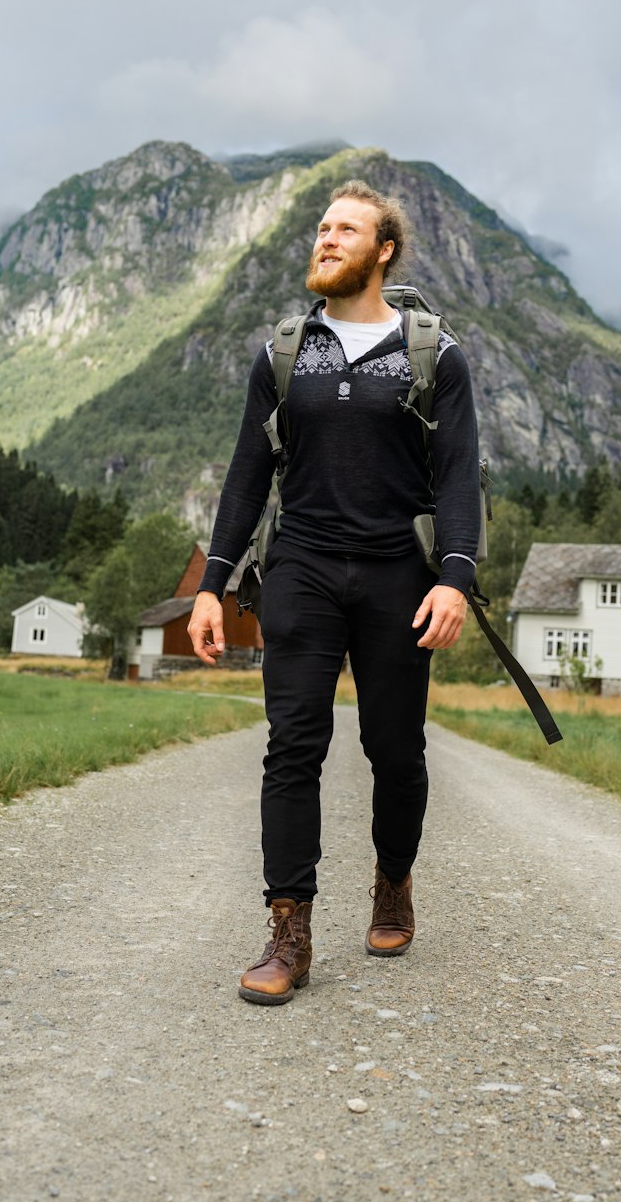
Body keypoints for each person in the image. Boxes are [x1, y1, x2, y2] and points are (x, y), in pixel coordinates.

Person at [188, 179, 481, 1005]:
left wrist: (454, 577)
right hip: (304, 569)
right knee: (293, 747)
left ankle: (393, 878)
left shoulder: (436, 356)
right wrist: (212, 585)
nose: (324, 238)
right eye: (320, 227)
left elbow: (459, 479)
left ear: (383, 249)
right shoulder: (283, 353)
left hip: (399, 576)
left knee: (395, 750)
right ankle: (290, 930)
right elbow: (247, 479)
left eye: (344, 228)